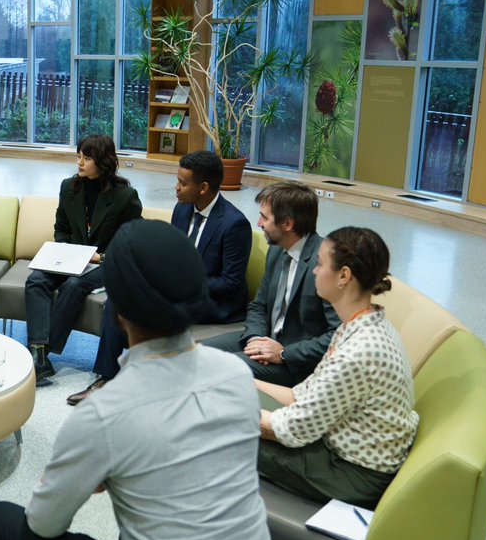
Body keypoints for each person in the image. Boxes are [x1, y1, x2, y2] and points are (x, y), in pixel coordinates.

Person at [0, 220, 272, 540]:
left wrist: (91, 468)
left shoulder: (105, 413)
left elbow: (44, 524)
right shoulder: (236, 376)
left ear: (117, 312)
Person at [257, 227, 418, 509]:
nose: (314, 271)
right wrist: (238, 380)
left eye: (320, 264)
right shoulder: (361, 324)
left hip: (352, 474)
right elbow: (300, 395)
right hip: (338, 447)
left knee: (218, 431)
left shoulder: (358, 352)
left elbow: (291, 429)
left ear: (344, 276)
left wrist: (224, 407)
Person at [79, 150, 251, 404]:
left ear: (203, 188)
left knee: (145, 309)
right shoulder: (182, 210)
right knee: (119, 300)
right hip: (178, 292)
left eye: (182, 183)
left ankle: (138, 385)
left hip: (214, 303)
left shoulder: (234, 224)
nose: (176, 187)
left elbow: (231, 284)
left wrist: (180, 284)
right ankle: (108, 378)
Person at [25, 135, 141, 384]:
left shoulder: (125, 195)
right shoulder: (69, 187)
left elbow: (132, 240)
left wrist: (102, 256)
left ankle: (45, 352)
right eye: (78, 156)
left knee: (75, 284)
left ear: (103, 162)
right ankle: (38, 353)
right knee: (36, 280)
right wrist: (65, 250)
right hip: (72, 258)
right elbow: (61, 227)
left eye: (86, 158)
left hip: (107, 262)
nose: (79, 162)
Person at [203, 181, 340, 386]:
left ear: (287, 224)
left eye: (265, 218)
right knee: (197, 353)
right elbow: (259, 305)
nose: (259, 223)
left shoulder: (326, 264)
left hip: (298, 364)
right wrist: (255, 338)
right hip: (265, 340)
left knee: (225, 368)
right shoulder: (277, 249)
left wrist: (284, 353)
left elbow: (338, 336)